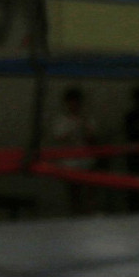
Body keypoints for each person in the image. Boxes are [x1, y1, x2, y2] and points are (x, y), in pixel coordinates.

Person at [49, 86, 98, 214]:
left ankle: (89, 217)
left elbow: (93, 139)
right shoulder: (61, 120)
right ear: (66, 103)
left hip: (86, 159)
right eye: (71, 102)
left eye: (76, 102)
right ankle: (75, 216)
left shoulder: (87, 119)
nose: (74, 105)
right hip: (69, 161)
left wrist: (84, 128)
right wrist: (71, 131)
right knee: (73, 192)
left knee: (89, 191)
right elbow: (58, 138)